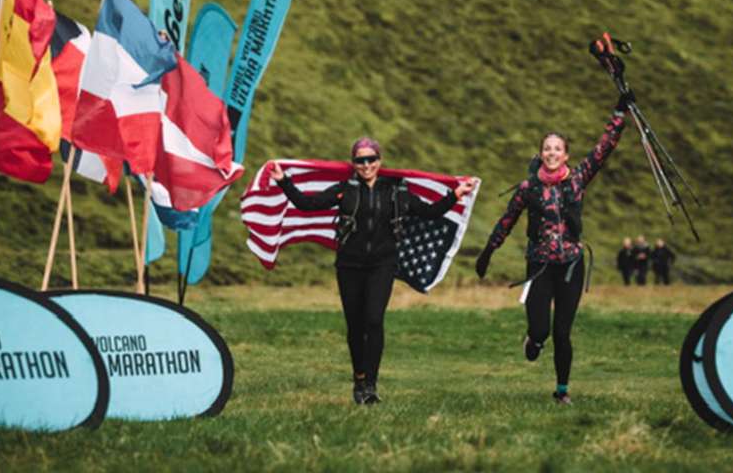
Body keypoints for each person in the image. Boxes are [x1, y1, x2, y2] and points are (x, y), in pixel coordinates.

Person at [268, 138, 476, 405]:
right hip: (349, 266)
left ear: (380, 160)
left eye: (371, 159)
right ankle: (359, 376)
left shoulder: (396, 191)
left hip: (382, 264)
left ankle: (371, 386)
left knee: (374, 320)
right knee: (355, 326)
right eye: (360, 160)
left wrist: (455, 194)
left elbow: (430, 212)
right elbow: (308, 205)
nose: (366, 165)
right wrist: (283, 180)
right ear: (353, 163)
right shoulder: (345, 189)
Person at [474, 95, 629, 405]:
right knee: (542, 329)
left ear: (566, 154)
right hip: (539, 266)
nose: (552, 153)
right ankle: (533, 339)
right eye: (547, 148)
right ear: (541, 154)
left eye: (558, 149)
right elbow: (508, 219)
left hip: (571, 265)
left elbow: (604, 148)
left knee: (562, 332)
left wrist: (620, 112)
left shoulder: (578, 179)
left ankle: (562, 391)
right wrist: (489, 250)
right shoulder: (529, 188)